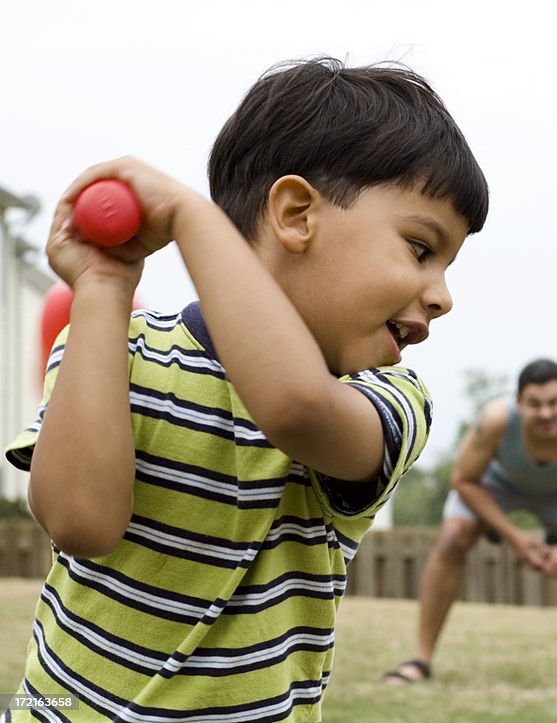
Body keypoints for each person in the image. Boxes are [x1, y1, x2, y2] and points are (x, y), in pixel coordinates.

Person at [3, 56, 488, 722]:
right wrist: (104, 289)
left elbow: (293, 405)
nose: (442, 297)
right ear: (294, 214)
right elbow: (80, 522)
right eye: (420, 248)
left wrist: (189, 219)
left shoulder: (389, 400)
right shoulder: (116, 349)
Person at [384, 359, 557, 692]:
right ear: (518, 404)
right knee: (453, 538)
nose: (545, 413)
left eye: (554, 402)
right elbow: (464, 480)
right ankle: (420, 660)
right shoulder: (495, 420)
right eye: (534, 404)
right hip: (498, 488)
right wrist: (515, 538)